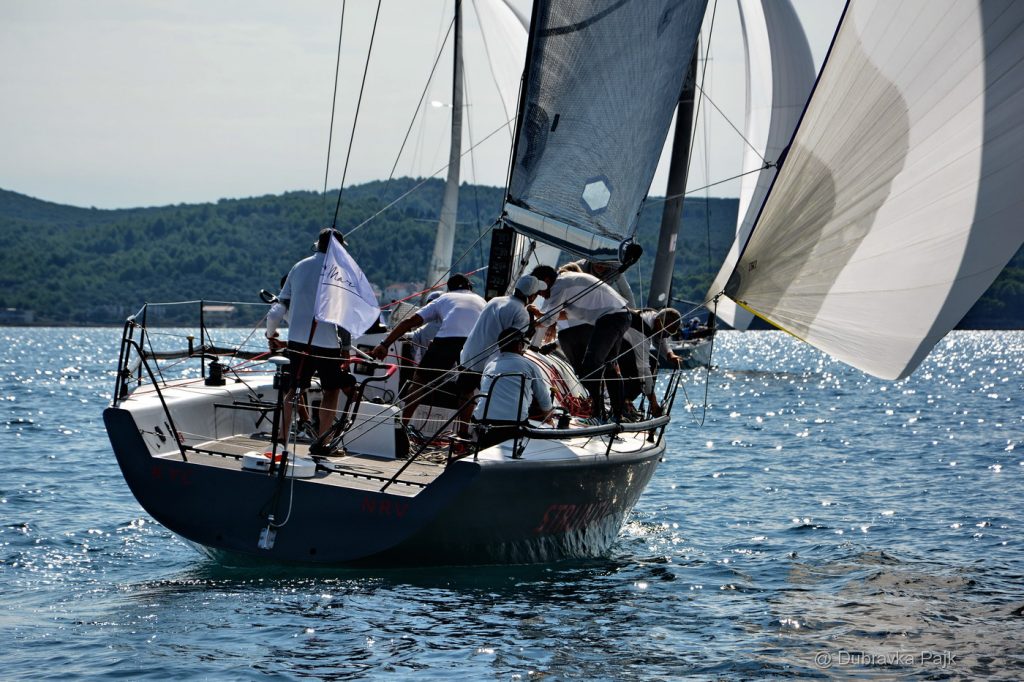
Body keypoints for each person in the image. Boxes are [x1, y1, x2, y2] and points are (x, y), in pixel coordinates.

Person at [266, 228, 356, 441]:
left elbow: (277, 310)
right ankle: (323, 440)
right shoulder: (341, 272)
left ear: (317, 244)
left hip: (297, 341)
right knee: (331, 391)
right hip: (327, 344)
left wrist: (271, 334)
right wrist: (345, 348)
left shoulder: (298, 267)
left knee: (294, 390)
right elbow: (343, 317)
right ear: (340, 249)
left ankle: (282, 436)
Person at [371, 273, 484, 423]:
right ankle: (463, 433)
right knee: (467, 389)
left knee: (419, 383)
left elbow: (409, 321)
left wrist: (385, 345)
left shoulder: (444, 298)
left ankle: (402, 425)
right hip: (474, 342)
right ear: (470, 287)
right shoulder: (482, 301)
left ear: (449, 289)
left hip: (447, 340)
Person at [531, 264, 630, 422]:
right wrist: (540, 315)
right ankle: (617, 415)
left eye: (539, 291)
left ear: (546, 281)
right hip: (619, 315)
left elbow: (550, 319)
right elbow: (564, 315)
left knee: (591, 365)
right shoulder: (566, 283)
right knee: (610, 366)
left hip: (611, 318)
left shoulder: (558, 286)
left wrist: (530, 323)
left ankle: (598, 414)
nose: (540, 295)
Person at [472, 327, 554, 449]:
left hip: (482, 422)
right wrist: (549, 416)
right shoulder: (529, 365)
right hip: (513, 425)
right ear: (520, 345)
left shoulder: (490, 364)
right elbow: (543, 397)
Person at [570, 258, 635, 307]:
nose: (600, 266)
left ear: (609, 263)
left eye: (603, 264)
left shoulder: (616, 270)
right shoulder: (579, 267)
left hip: (607, 303)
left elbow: (626, 292)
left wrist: (633, 312)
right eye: (597, 263)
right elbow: (565, 279)